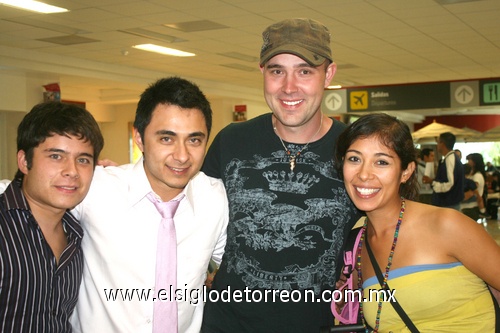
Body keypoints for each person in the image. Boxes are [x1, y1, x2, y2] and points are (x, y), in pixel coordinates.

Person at [200, 18, 360, 332]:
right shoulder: (232, 140)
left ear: (328, 74)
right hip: (227, 323)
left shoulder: (354, 148)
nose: (289, 87)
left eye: (304, 71)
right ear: (263, 73)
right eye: (277, 71)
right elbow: (188, 209)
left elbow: (386, 226)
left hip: (318, 324)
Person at [70, 77, 229, 332]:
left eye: (194, 140)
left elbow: (240, 263)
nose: (182, 155)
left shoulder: (215, 198)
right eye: (167, 139)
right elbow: (23, 195)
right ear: (140, 139)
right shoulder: (96, 189)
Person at [335, 113, 500, 332]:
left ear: (406, 171)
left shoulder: (445, 225)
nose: (364, 174)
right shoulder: (357, 240)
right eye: (354, 159)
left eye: (381, 162)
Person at [0, 101, 104, 332]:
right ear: (24, 161)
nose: (72, 170)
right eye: (56, 156)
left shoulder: (78, 234)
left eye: (83, 160)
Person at [422, 132, 464, 209]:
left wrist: (432, 182)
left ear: (442, 143)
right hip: (449, 203)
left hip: (449, 204)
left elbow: (449, 184)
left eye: (438, 142)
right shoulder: (450, 158)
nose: (437, 145)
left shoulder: (450, 160)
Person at [461, 153, 487, 221]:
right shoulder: (471, 175)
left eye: (470, 160)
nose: (468, 162)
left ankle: (483, 211)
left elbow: (472, 191)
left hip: (471, 206)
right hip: (467, 206)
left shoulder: (477, 176)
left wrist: (460, 198)